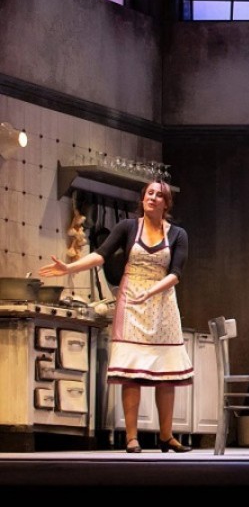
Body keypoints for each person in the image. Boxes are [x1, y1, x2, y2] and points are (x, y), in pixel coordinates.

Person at [40, 181, 194, 454]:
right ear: (143, 199)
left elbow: (175, 274)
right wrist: (69, 268)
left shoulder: (178, 234)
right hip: (132, 303)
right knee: (131, 372)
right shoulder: (128, 227)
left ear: (166, 203)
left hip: (162, 305)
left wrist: (151, 292)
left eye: (159, 195)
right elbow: (100, 256)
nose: (153, 198)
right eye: (149, 193)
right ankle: (132, 438)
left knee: (166, 373)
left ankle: (166, 436)